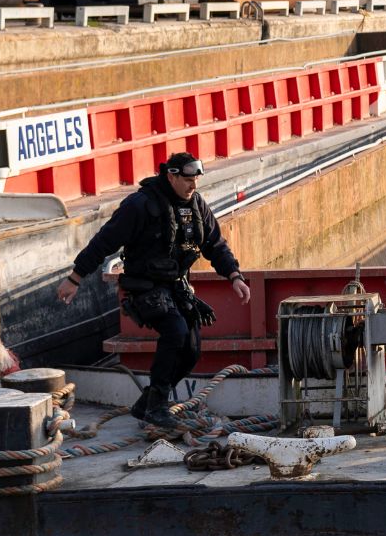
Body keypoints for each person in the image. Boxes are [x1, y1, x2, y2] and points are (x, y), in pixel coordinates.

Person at [56, 153, 250, 429]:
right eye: (186, 179)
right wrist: (75, 278)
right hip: (144, 287)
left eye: (195, 178)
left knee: (192, 350)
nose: (192, 184)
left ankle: (147, 402)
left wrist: (234, 276)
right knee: (175, 331)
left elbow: (215, 245)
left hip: (177, 287)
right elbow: (104, 242)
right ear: (170, 176)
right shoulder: (140, 205)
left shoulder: (197, 206)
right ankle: (157, 407)